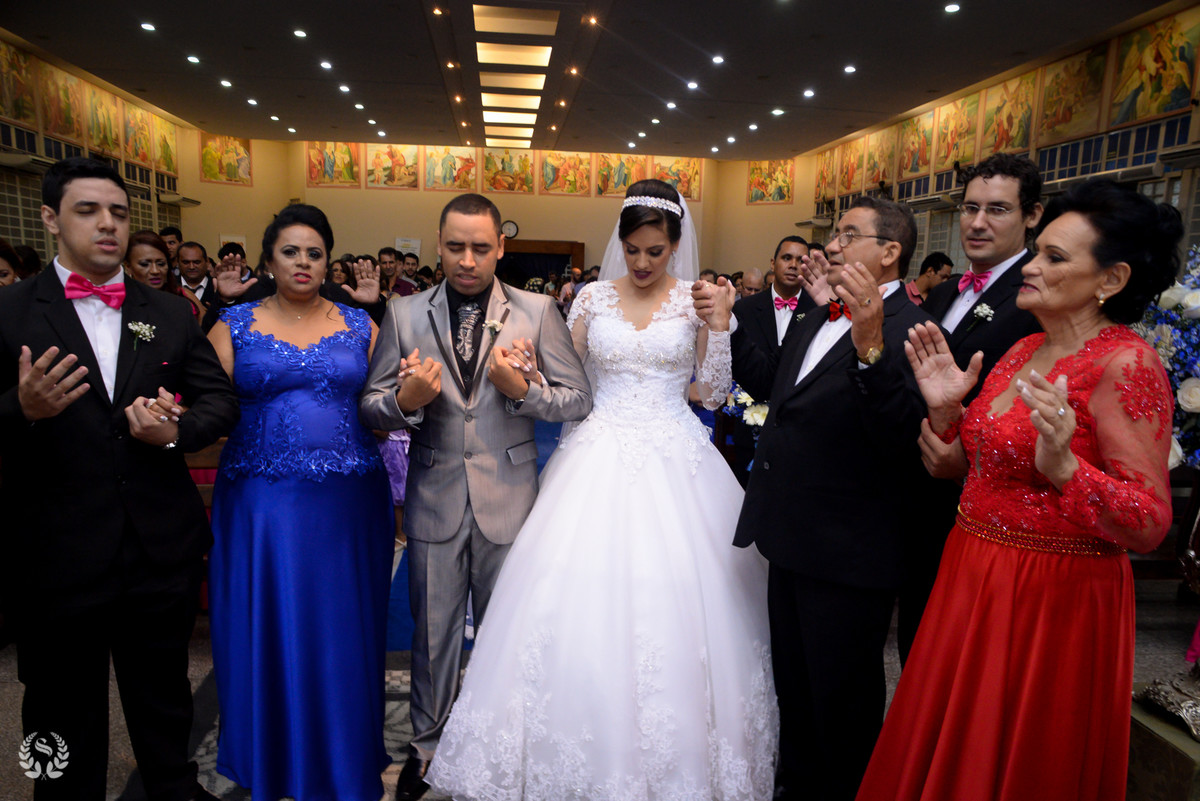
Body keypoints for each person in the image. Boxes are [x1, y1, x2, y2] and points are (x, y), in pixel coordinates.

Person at [425, 179, 778, 800]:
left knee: (681, 606)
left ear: (675, 247)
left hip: (676, 457)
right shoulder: (590, 299)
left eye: (656, 252)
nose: (642, 264)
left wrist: (720, 328)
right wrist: (531, 374)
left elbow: (715, 393)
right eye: (633, 249)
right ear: (620, 242)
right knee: (567, 607)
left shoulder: (693, 302)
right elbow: (572, 383)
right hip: (595, 456)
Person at [855, 179, 1179, 801]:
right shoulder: (1024, 349)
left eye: (1055, 258)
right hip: (972, 571)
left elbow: (1148, 521)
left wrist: (1066, 469)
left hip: (1050, 598)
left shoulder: (1126, 363)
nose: (1030, 265)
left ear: (1110, 280)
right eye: (1039, 251)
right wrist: (948, 417)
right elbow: (985, 466)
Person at [0, 157, 236, 801]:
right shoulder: (9, 312)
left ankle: (173, 787)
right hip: (55, 548)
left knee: (162, 692)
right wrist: (21, 409)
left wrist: (174, 430)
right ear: (50, 219)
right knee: (52, 703)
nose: (108, 225)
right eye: (87, 211)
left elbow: (218, 403)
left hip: (156, 544)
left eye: (119, 213)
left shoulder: (168, 311)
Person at [359, 193, 592, 801]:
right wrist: (405, 402)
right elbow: (371, 404)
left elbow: (578, 399)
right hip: (434, 493)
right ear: (438, 245)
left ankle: (501, 744)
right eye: (456, 246)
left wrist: (523, 393)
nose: (467, 259)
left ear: (501, 248)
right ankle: (427, 751)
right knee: (432, 636)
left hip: (512, 499)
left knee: (505, 634)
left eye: (481, 247)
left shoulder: (538, 311)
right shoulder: (406, 312)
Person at [716, 195, 933, 801]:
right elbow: (776, 391)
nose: (830, 246)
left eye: (847, 235)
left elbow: (901, 431)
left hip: (848, 549)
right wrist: (729, 328)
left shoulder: (909, 330)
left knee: (842, 697)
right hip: (788, 534)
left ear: (889, 253)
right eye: (834, 234)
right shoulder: (818, 316)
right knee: (795, 687)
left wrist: (868, 346)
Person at [206, 204, 394, 801]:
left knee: (343, 630)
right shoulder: (231, 324)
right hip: (262, 504)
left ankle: (344, 756)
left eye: (315, 253)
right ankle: (272, 756)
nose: (304, 263)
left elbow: (387, 409)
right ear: (268, 261)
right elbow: (207, 407)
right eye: (291, 252)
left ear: (329, 262)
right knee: (271, 623)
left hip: (348, 503)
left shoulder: (361, 324)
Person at [898, 154, 1044, 661]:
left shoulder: (1035, 295)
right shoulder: (942, 296)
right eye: (969, 208)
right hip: (920, 496)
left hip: (980, 500)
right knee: (917, 642)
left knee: (959, 653)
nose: (978, 223)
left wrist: (967, 456)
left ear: (1032, 216)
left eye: (997, 210)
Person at [728, 235, 817, 486]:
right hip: (750, 420)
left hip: (798, 427)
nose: (793, 264)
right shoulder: (745, 309)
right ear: (773, 263)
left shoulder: (817, 310)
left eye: (800, 260)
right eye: (786, 258)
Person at [124, 230, 205, 322]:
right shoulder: (120, 301)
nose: (155, 271)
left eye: (161, 264)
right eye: (145, 264)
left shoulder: (184, 296)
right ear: (128, 266)